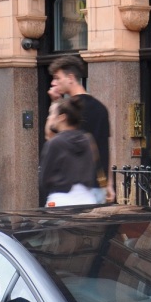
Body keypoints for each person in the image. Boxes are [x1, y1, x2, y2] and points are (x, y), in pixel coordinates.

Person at [48, 55, 113, 203]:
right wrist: (109, 184)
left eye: (57, 78)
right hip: (98, 186)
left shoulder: (69, 110)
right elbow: (105, 147)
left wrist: (55, 103)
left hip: (75, 189)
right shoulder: (101, 108)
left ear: (70, 77)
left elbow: (51, 137)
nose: (53, 83)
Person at [38, 96, 99, 207]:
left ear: (62, 117)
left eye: (52, 114)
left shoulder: (55, 143)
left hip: (61, 200)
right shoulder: (87, 140)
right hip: (87, 200)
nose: (50, 117)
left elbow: (44, 178)